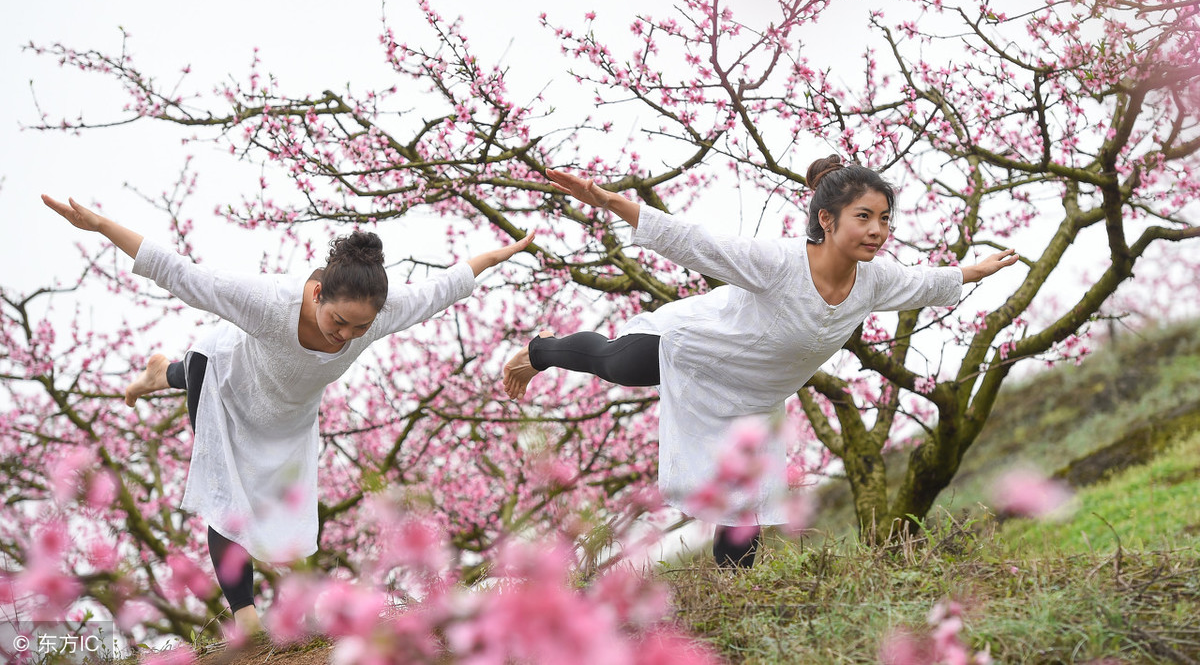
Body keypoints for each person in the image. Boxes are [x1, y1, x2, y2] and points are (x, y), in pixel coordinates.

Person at [42, 194, 532, 634]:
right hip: (224, 385)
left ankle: (160, 374)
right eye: (339, 321)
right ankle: (246, 616)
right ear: (317, 293)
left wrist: (501, 254)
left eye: (358, 329)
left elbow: (445, 287)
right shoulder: (269, 301)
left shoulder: (377, 314)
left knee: (288, 514)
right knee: (226, 489)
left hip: (287, 420)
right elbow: (181, 273)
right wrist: (102, 225)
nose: (345, 336)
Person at [502, 156, 1018, 568]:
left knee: (744, 504)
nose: (878, 230)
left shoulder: (876, 280)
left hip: (754, 399)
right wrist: (611, 201)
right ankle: (540, 349)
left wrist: (976, 269)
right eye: (864, 217)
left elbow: (927, 283)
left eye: (885, 219)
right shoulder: (780, 262)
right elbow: (696, 244)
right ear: (827, 218)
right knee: (619, 364)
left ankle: (733, 596)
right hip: (699, 350)